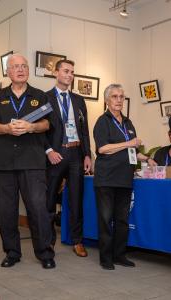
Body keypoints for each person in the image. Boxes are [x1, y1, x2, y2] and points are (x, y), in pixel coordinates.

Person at [0, 54, 55, 269]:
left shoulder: (39, 96)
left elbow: (47, 124)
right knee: (6, 210)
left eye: (24, 66)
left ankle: (45, 254)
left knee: (38, 209)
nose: (20, 69)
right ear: (8, 72)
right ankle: (12, 252)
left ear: (28, 70)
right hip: (5, 163)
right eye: (15, 67)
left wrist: (31, 127)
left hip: (33, 162)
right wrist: (5, 128)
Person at [93, 84, 156, 270]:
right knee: (105, 220)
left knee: (122, 220)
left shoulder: (128, 123)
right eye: (114, 96)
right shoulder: (102, 122)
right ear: (107, 100)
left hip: (125, 180)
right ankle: (106, 259)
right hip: (106, 179)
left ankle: (119, 255)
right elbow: (102, 149)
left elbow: (131, 152)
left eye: (121, 96)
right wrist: (129, 142)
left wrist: (147, 158)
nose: (119, 100)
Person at [46, 59, 92, 257]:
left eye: (72, 72)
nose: (69, 75)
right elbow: (40, 131)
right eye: (66, 71)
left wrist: (88, 154)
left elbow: (84, 130)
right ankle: (47, 242)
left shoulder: (79, 100)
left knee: (76, 199)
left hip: (76, 154)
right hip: (56, 154)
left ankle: (77, 241)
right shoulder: (44, 98)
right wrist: (48, 151)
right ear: (56, 73)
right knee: (48, 200)